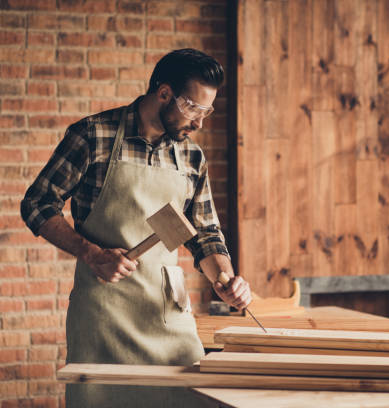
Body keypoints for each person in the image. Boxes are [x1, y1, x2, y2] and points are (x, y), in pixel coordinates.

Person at [21, 48, 252, 407]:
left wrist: (225, 279)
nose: (199, 123)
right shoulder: (92, 135)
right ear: (163, 94)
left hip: (167, 318)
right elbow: (37, 204)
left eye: (206, 111)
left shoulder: (191, 157)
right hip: (103, 315)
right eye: (193, 108)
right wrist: (92, 253)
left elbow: (206, 234)